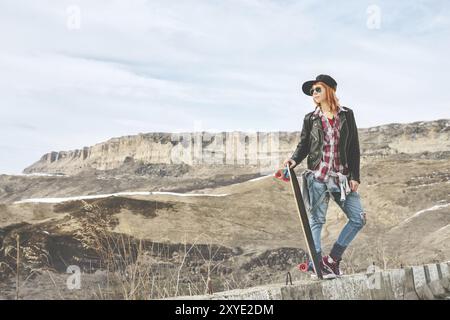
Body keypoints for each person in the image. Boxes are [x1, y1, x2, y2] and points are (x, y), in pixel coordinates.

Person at [283, 74, 366, 278]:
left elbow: (354, 148)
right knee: (317, 221)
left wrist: (355, 176)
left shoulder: (347, 115)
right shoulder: (310, 118)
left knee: (358, 218)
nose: (314, 94)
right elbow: (304, 145)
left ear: (329, 90)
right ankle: (316, 262)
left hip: (341, 179)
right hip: (318, 177)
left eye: (317, 89)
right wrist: (294, 160)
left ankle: (333, 260)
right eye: (312, 92)